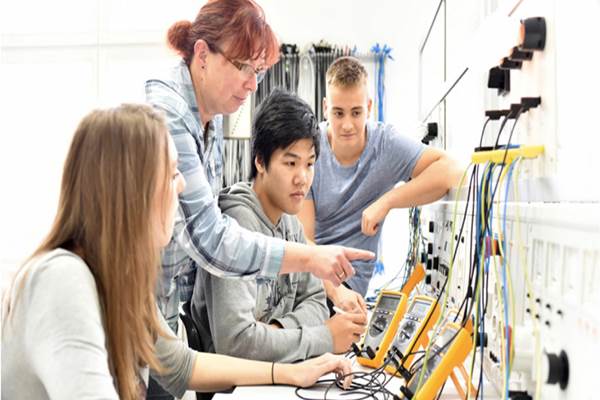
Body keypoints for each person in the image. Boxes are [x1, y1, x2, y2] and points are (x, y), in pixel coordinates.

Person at [1, 104, 353, 400]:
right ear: (130, 191)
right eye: (171, 174)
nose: (182, 185)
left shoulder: (119, 280)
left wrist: (291, 374)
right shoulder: (63, 279)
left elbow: (185, 364)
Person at [145, 0, 372, 335]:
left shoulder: (212, 111)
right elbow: (209, 240)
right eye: (243, 68)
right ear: (203, 55)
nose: (253, 85)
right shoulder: (169, 115)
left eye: (258, 72)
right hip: (136, 311)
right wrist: (311, 261)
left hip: (167, 315)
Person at [192, 90, 367, 363]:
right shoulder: (235, 226)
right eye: (290, 163)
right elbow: (237, 343)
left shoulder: (291, 223)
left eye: (309, 164)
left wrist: (273, 333)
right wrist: (324, 338)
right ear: (260, 161)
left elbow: (317, 304)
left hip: (280, 376)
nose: (303, 178)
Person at [298, 56, 462, 305]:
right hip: (313, 276)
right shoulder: (311, 149)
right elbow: (304, 240)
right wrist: (332, 290)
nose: (347, 125)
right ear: (324, 107)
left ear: (370, 107)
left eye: (356, 112)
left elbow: (450, 170)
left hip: (350, 285)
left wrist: (387, 201)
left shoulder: (385, 144)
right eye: (338, 113)